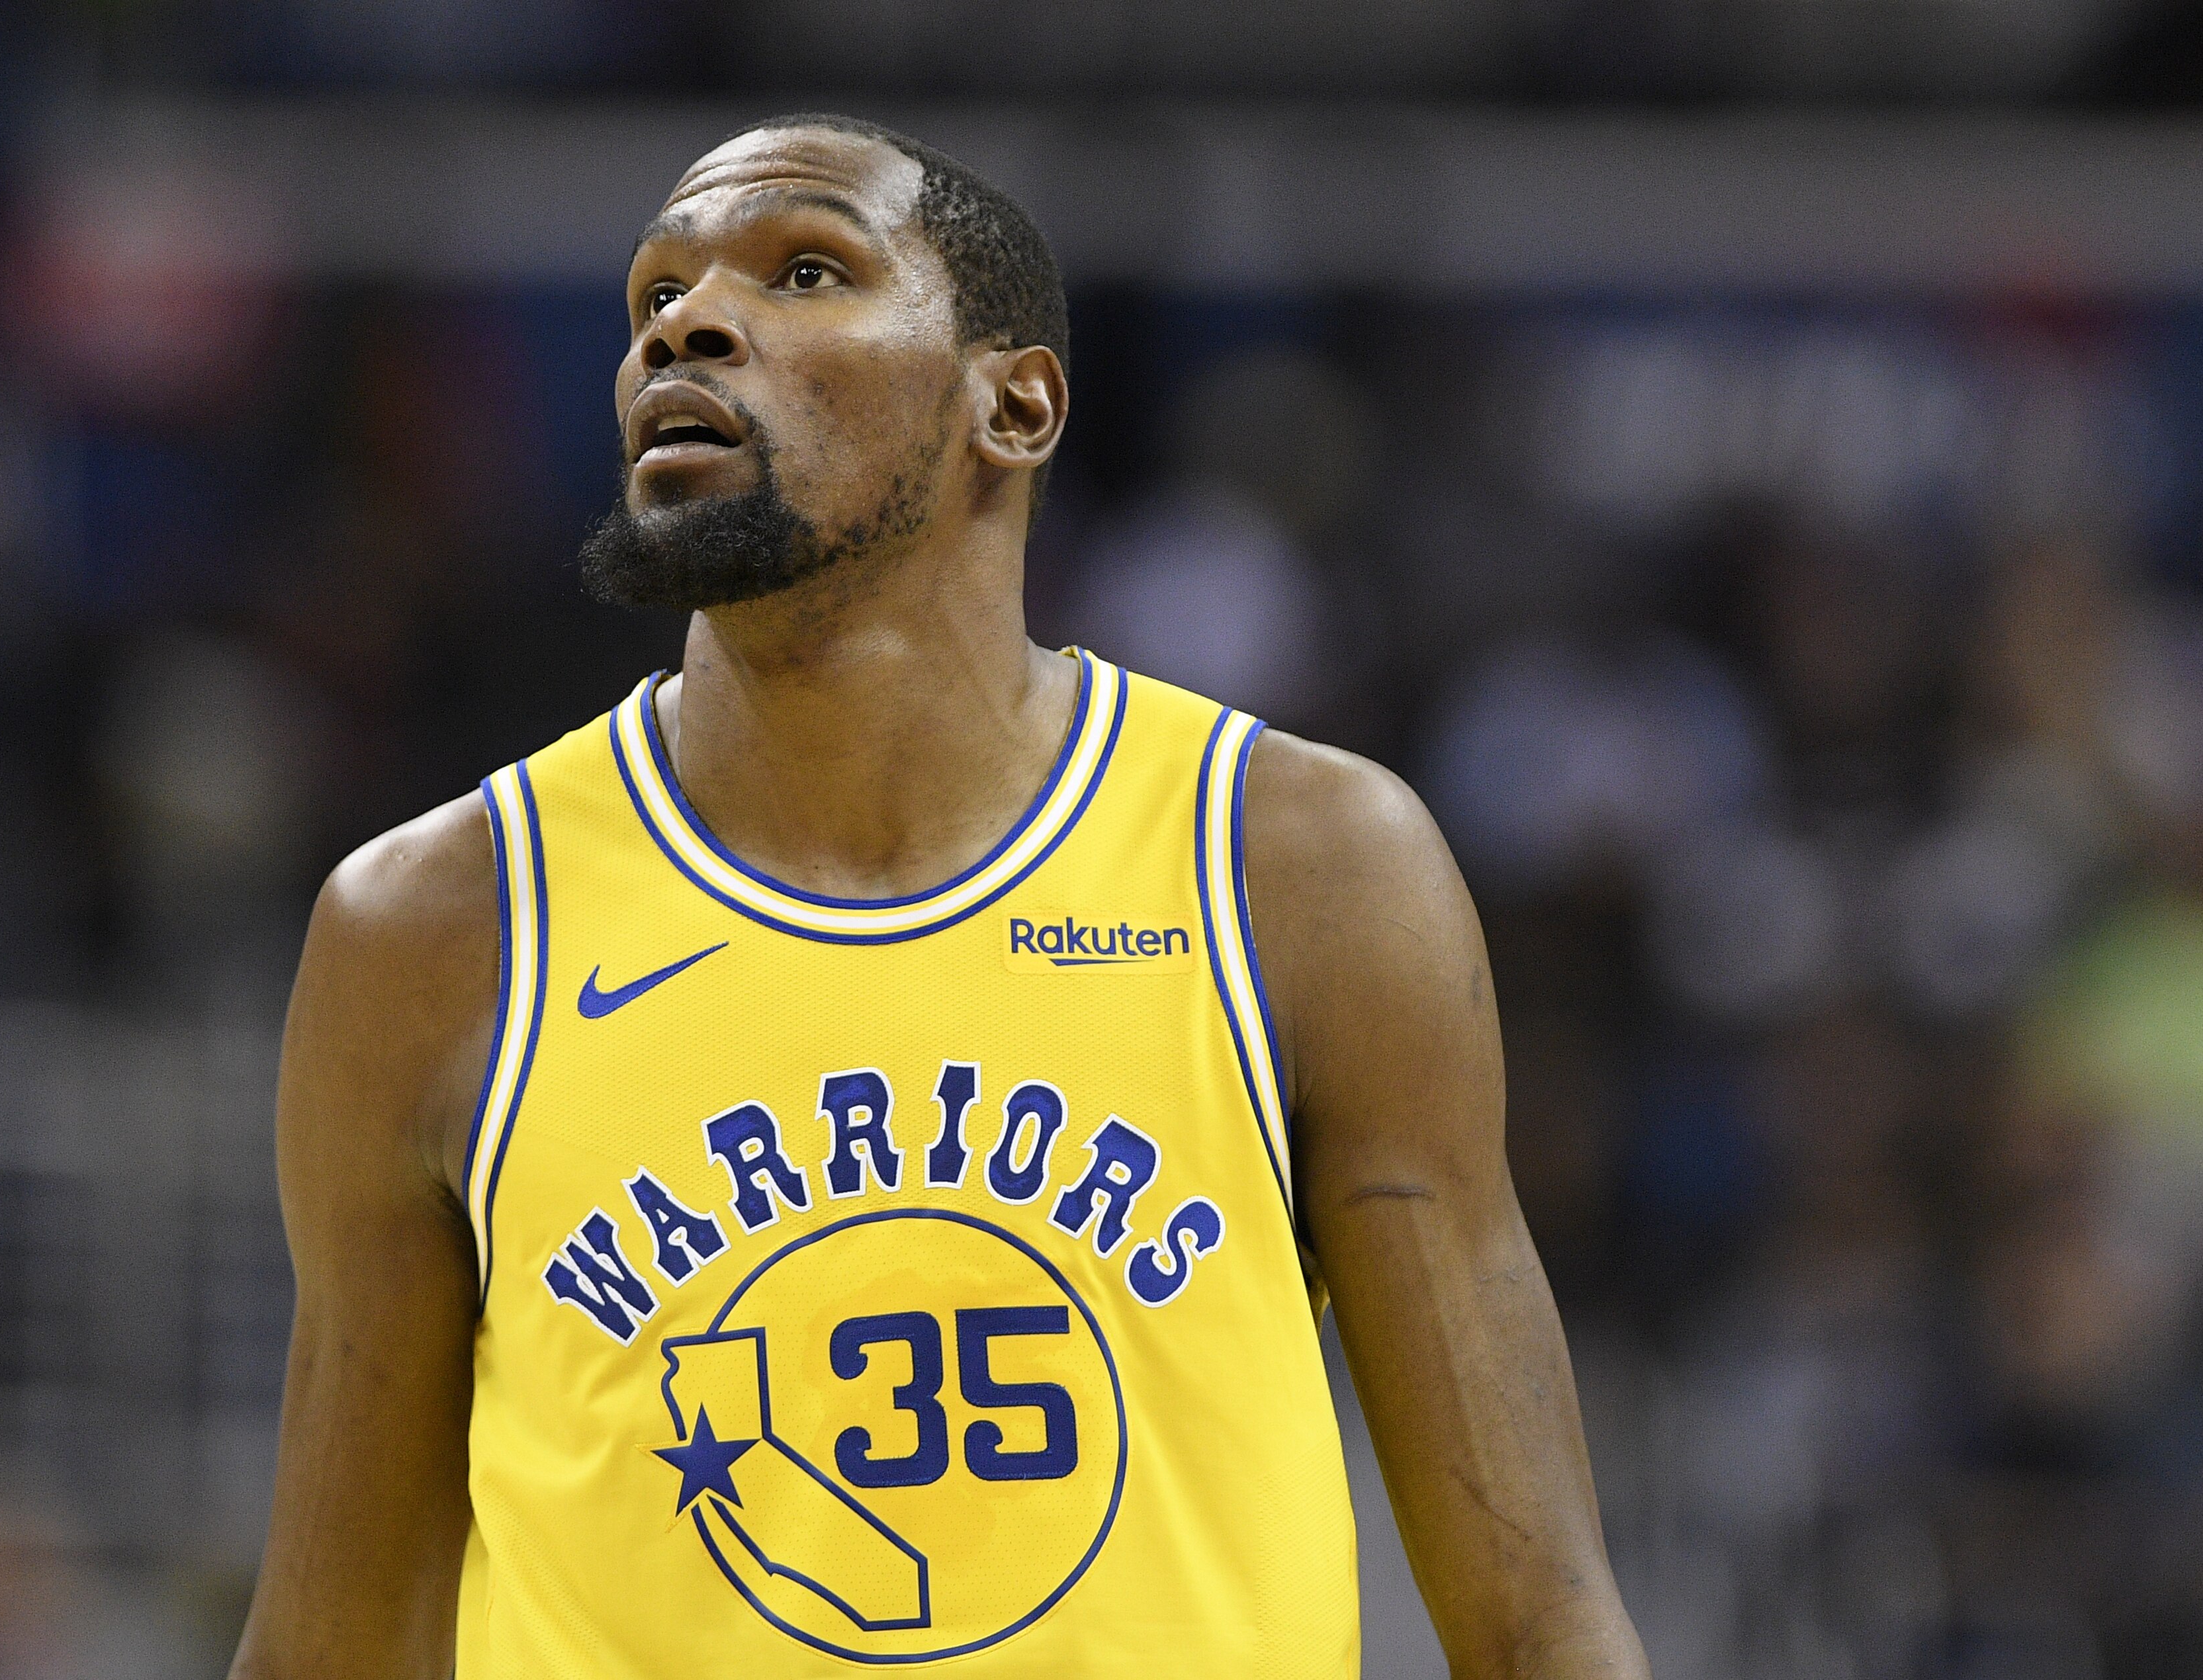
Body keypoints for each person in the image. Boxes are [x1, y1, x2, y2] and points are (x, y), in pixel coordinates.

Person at [229, 114, 1646, 1679]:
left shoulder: (1299, 867)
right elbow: (329, 1649)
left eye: (808, 268)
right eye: (653, 298)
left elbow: (1536, 1618)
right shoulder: (437, 930)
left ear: (1015, 401)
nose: (686, 323)